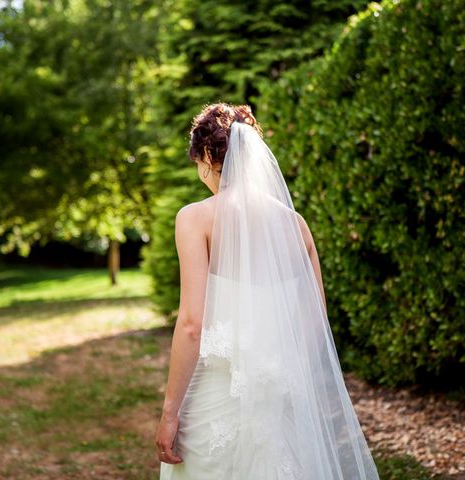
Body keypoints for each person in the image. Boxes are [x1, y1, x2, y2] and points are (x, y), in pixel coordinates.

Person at [155, 103, 380, 479]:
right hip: (279, 402)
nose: (200, 174)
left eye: (198, 163)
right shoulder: (297, 226)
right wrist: (277, 377)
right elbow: (315, 322)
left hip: (214, 402)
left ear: (209, 156)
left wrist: (169, 414)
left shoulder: (194, 219)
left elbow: (192, 325)